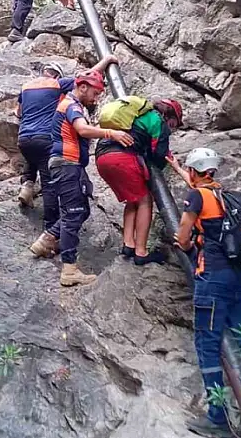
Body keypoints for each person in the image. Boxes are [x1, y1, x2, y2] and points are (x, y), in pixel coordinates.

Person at [170, 147, 241, 438]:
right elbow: (199, 191)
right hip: (236, 277)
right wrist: (177, 167)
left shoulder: (197, 197)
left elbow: (184, 234)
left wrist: (186, 246)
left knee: (208, 345)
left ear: (194, 171)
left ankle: (218, 417)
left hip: (211, 277)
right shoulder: (224, 195)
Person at [28, 70, 134, 286]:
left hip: (68, 165)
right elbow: (82, 130)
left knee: (81, 210)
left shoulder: (71, 104)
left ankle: (47, 239)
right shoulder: (72, 106)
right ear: (83, 87)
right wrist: (110, 133)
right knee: (73, 214)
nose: (96, 98)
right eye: (95, 93)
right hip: (67, 164)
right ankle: (69, 270)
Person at [16, 54, 119, 218]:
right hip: (45, 138)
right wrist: (106, 61)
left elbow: (18, 112)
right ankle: (49, 228)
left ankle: (27, 185)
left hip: (23, 138)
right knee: (49, 184)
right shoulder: (57, 84)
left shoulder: (26, 87)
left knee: (33, 154)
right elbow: (85, 79)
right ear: (56, 75)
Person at [94, 98, 184, 266]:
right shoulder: (159, 121)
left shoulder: (134, 114)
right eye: (175, 124)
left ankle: (128, 244)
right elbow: (159, 155)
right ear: (170, 117)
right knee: (145, 201)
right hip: (122, 159)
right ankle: (141, 251)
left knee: (133, 199)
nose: (173, 128)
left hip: (102, 157)